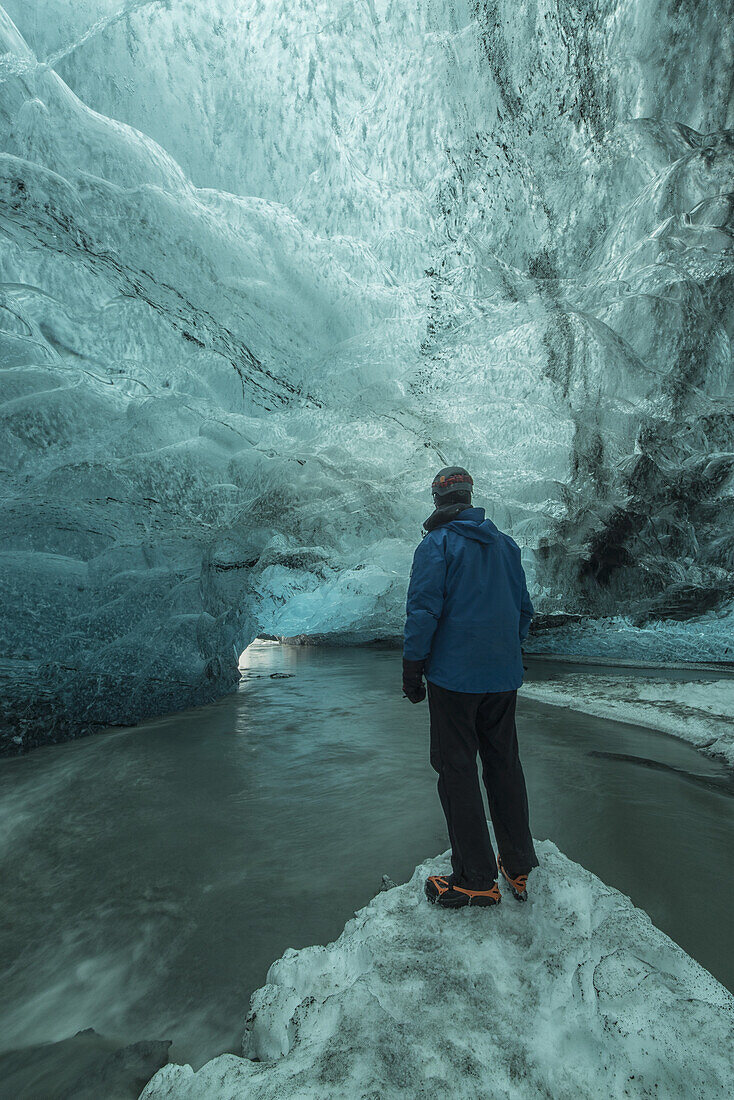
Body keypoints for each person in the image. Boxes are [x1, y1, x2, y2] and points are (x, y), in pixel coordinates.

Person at [403, 466, 538, 909]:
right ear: (470, 496)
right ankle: (517, 863)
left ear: (439, 501)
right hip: (502, 679)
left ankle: (475, 878)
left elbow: (424, 612)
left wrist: (413, 666)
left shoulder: (436, 545)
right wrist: (501, 653)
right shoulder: (506, 546)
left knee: (456, 768)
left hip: (454, 680)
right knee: (504, 764)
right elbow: (523, 611)